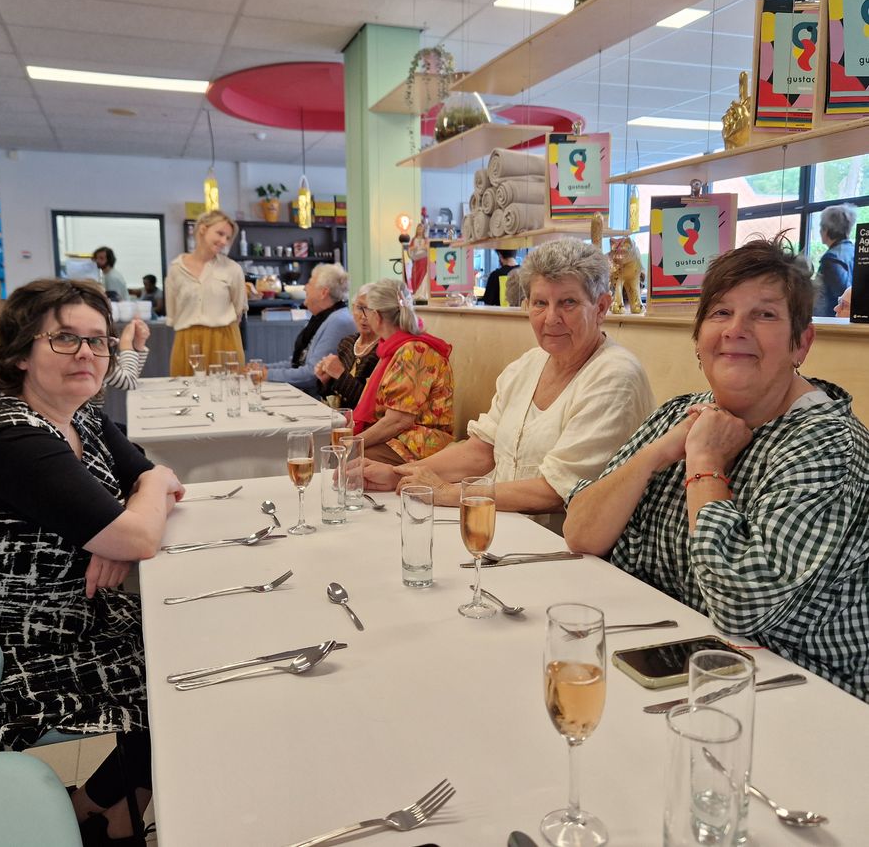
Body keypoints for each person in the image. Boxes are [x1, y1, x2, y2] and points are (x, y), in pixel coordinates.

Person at [564, 236, 869, 701]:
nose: (735, 329)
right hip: (671, 666)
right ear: (699, 338)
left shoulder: (828, 445)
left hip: (802, 694)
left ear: (802, 343)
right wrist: (656, 455)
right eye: (721, 312)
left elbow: (738, 605)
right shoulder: (680, 414)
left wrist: (705, 462)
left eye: (764, 315)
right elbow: (581, 532)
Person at [0, 278, 184, 841]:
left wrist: (123, 517)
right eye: (65, 338)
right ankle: (110, 815)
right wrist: (119, 528)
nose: (87, 353)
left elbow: (152, 475)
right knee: (190, 673)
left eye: (99, 340)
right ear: (21, 353)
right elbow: (141, 530)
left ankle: (100, 809)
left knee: (200, 638)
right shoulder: (8, 436)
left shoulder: (80, 415)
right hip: (23, 644)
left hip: (81, 613)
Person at [363, 239, 655, 529]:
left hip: (559, 544)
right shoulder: (527, 365)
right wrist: (398, 474)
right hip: (501, 527)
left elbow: (556, 490)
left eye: (568, 303)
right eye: (540, 303)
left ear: (601, 307)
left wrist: (451, 493)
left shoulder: (615, 377)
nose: (551, 318)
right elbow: (480, 451)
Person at [352, 278, 454, 463]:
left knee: (346, 458)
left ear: (376, 315)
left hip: (419, 441)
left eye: (365, 310)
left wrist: (353, 443)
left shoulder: (413, 351)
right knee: (334, 449)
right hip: (400, 437)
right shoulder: (394, 347)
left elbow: (398, 421)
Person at [164, 209, 246, 377]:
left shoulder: (233, 269)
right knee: (185, 390)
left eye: (228, 238)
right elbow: (172, 312)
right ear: (203, 229)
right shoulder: (176, 269)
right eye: (220, 233)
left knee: (227, 390)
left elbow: (239, 310)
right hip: (187, 341)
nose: (224, 241)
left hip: (224, 339)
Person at [265, 263, 356, 398]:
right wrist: (264, 368)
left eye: (310, 283)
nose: (304, 287)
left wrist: (266, 374)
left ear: (323, 292)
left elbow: (311, 375)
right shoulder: (323, 318)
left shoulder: (338, 321)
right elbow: (298, 362)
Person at [314, 283, 380, 408]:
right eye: (360, 308)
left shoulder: (382, 350)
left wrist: (340, 374)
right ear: (352, 308)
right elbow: (334, 395)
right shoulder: (347, 343)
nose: (364, 316)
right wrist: (326, 380)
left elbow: (369, 403)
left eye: (370, 309)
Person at [813, 204, 856, 316]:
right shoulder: (854, 251)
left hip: (833, 320)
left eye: (821, 227)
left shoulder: (831, 259)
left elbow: (844, 297)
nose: (820, 231)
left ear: (826, 229)